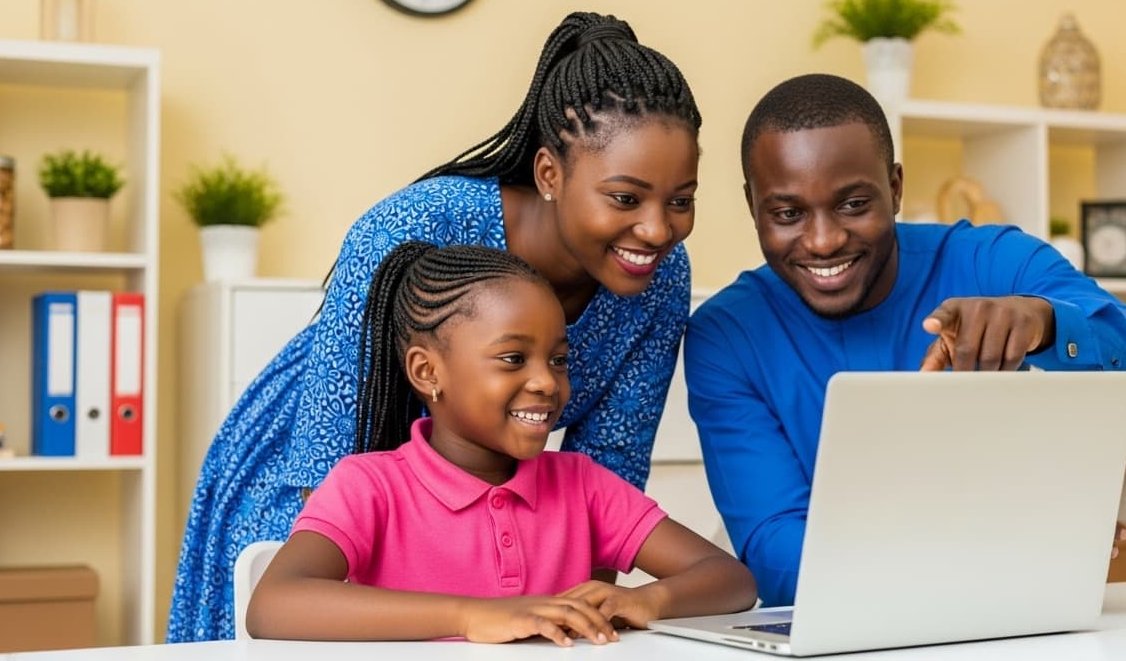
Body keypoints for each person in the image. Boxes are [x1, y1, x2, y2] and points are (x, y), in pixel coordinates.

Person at [170, 11, 705, 641]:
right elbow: (320, 473)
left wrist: (576, 629)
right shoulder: (418, 224)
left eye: (681, 200)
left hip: (474, 504)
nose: (657, 229)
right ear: (550, 174)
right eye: (625, 198)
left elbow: (609, 472)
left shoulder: (661, 279)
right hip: (309, 475)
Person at [684, 73, 1126, 607]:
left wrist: (1046, 324)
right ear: (752, 205)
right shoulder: (726, 335)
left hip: (1014, 621)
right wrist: (1008, 546)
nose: (823, 240)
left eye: (853, 204)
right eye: (787, 213)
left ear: (895, 187)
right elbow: (779, 557)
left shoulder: (993, 261)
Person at [246, 243, 756, 642]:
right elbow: (274, 604)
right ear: (427, 371)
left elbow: (730, 580)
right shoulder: (369, 486)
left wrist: (647, 601)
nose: (546, 382)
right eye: (514, 359)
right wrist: (471, 616)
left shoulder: (581, 485)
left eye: (558, 360)